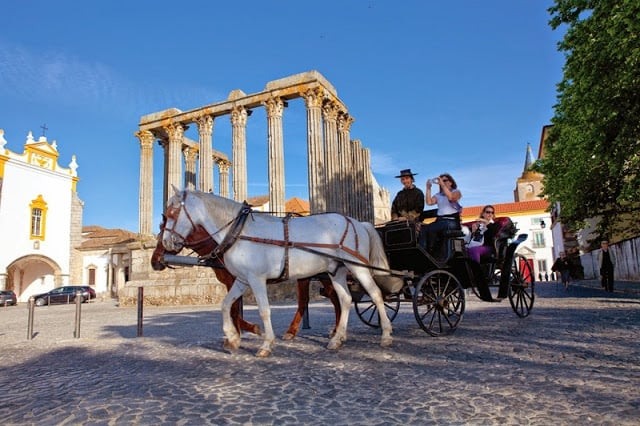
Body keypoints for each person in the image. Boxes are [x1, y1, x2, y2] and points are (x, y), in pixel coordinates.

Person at [420, 173, 462, 257]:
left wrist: (442, 185)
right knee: (424, 228)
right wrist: (428, 188)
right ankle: (428, 251)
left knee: (429, 229)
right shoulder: (438, 195)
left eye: (445, 180)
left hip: (451, 221)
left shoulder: (456, 192)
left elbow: (451, 197)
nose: (442, 182)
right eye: (441, 181)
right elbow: (429, 202)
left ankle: (426, 252)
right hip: (440, 221)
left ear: (451, 182)